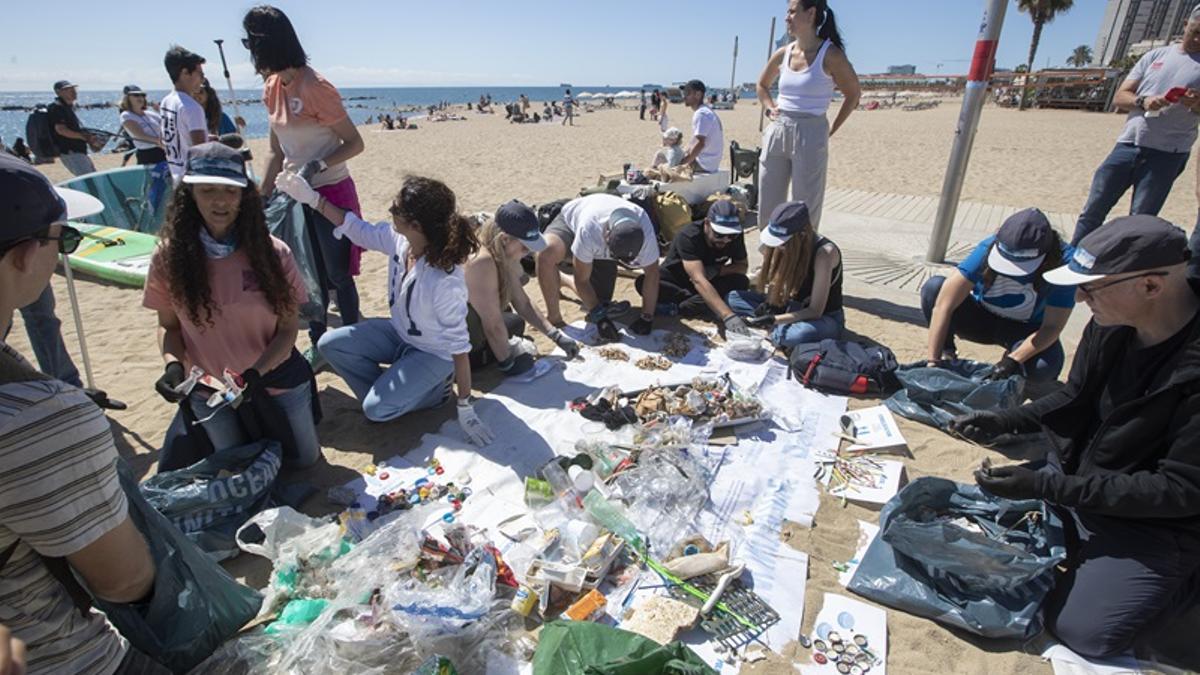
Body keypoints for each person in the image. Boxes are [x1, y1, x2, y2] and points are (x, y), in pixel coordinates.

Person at [955, 216, 1200, 659]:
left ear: (1150, 286)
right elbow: (1076, 397)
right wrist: (1006, 421)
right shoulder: (1111, 323)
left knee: (1082, 632)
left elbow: (1179, 491)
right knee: (989, 529)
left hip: (1160, 523)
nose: (1082, 298)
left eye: (1092, 287)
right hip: (1087, 479)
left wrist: (1048, 485)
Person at [0, 154, 165, 675]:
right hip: (65, 658)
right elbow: (125, 582)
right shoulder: (41, 417)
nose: (60, 253)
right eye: (62, 240)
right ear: (26, 256)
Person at [276, 171, 494, 446]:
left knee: (376, 411)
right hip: (399, 334)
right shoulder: (399, 241)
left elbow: (459, 350)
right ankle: (398, 389)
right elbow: (357, 229)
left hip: (431, 353)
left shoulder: (443, 280)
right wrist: (312, 199)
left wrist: (465, 405)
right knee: (329, 344)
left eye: (396, 209)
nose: (390, 211)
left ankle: (434, 393)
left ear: (414, 224)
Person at [145, 143, 320, 469]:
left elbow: (287, 329)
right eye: (207, 189)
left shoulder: (273, 253)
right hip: (208, 387)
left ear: (244, 197)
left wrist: (256, 373)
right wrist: (172, 365)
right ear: (190, 195)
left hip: (274, 377)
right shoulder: (168, 258)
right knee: (236, 462)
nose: (220, 200)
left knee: (305, 460)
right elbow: (169, 325)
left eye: (230, 190)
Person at [246, 5, 366, 368]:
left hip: (329, 192)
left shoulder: (316, 87)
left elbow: (355, 143)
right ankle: (320, 344)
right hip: (291, 196)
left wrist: (315, 167)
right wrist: (263, 196)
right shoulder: (271, 88)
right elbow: (275, 150)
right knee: (304, 276)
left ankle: (351, 338)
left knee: (336, 275)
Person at [1071, 9, 1200, 246]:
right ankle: (1072, 261)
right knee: (1093, 211)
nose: (1199, 39)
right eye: (1196, 32)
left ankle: (1121, 272)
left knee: (1139, 222)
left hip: (1168, 154)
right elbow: (1120, 97)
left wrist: (1196, 104)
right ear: (1185, 25)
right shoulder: (1155, 56)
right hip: (1128, 144)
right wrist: (1144, 101)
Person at [756, 0, 861, 288]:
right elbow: (762, 85)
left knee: (805, 208)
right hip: (779, 128)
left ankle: (799, 271)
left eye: (792, 11)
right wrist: (769, 108)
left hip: (811, 129)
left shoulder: (831, 55)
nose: (787, 17)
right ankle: (767, 266)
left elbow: (853, 95)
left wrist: (830, 129)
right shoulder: (784, 52)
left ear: (810, 13)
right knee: (768, 202)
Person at [920, 209, 1075, 383]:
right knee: (934, 288)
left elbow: (1052, 327)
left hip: (1024, 329)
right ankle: (947, 355)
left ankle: (1017, 383)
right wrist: (932, 363)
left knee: (1044, 368)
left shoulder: (1064, 264)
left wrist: (1013, 360)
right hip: (982, 319)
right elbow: (943, 305)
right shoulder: (988, 247)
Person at [465, 201, 582, 373]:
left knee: (514, 323)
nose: (526, 254)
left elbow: (522, 302)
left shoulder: (500, 253)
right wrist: (507, 363)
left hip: (477, 322)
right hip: (460, 341)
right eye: (525, 248)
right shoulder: (482, 262)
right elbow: (492, 324)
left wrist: (555, 335)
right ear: (505, 239)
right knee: (510, 326)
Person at [535, 193, 661, 341]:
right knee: (545, 255)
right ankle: (554, 316)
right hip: (571, 222)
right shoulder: (589, 229)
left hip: (602, 245)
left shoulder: (645, 231)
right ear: (607, 236)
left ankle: (562, 279)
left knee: (598, 300)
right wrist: (599, 317)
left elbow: (652, 274)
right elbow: (582, 280)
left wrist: (647, 317)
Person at [728, 201, 843, 348]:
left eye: (782, 243)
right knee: (733, 298)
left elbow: (815, 310)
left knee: (795, 336)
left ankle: (775, 331)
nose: (779, 247)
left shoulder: (824, 254)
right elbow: (774, 282)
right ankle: (774, 330)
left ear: (801, 235)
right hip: (788, 306)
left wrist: (774, 320)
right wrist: (769, 307)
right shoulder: (781, 247)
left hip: (820, 318)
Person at [639, 200, 751, 335]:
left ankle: (681, 308)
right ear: (707, 223)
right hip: (679, 281)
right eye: (719, 234)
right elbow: (697, 279)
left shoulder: (736, 236)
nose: (726, 240)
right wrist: (728, 315)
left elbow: (742, 266)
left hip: (709, 281)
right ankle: (697, 305)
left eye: (731, 235)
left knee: (741, 281)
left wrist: (718, 270)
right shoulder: (689, 236)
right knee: (643, 282)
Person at [160, 46, 208, 183]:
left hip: (176, 175)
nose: (202, 80)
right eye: (200, 74)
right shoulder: (192, 107)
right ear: (185, 72)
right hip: (194, 179)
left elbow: (168, 139)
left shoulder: (166, 101)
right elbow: (201, 152)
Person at [47, 80, 97, 176]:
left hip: (77, 150)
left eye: (73, 89)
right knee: (88, 179)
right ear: (58, 92)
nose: (73, 92)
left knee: (92, 176)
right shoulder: (57, 108)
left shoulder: (66, 107)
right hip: (70, 151)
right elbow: (61, 130)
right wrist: (83, 137)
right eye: (67, 90)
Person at [678, 80, 724, 174]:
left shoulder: (701, 114)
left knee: (662, 157)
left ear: (698, 94)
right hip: (711, 163)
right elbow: (695, 142)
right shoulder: (707, 111)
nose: (684, 96)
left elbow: (700, 143)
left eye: (687, 93)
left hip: (703, 164)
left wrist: (683, 163)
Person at [118, 84, 166, 166]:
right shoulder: (126, 115)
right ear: (127, 98)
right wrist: (159, 141)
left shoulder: (151, 114)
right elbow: (139, 135)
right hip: (147, 154)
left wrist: (161, 111)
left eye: (143, 95)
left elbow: (167, 127)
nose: (140, 97)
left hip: (164, 151)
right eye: (136, 95)